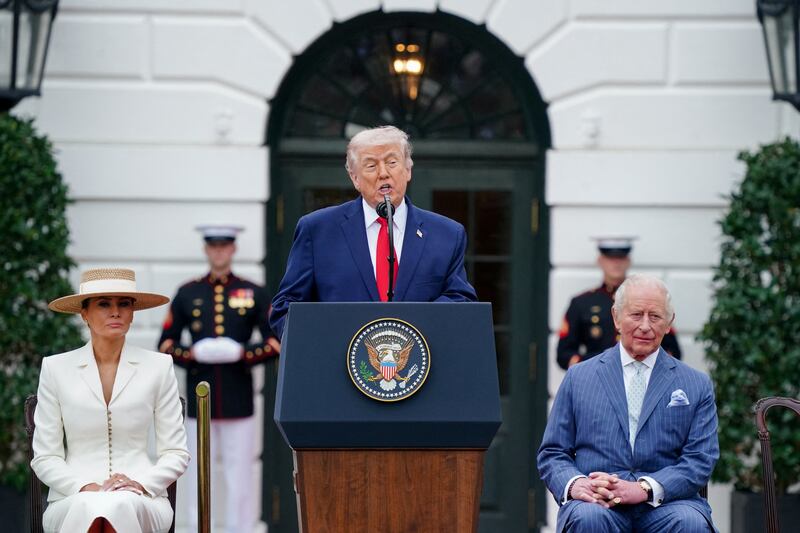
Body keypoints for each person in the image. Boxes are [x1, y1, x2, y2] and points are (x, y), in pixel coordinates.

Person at [537, 274, 719, 532]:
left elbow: (700, 459)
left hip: (667, 505)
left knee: (691, 523)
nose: (645, 326)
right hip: (597, 502)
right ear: (616, 318)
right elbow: (553, 453)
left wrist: (643, 488)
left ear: (669, 323)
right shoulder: (579, 377)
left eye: (655, 316)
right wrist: (575, 483)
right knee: (587, 519)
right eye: (636, 315)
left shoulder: (696, 384)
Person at [269, 125, 477, 338]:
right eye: (370, 166)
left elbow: (460, 300)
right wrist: (322, 343)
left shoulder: (446, 234)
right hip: (338, 365)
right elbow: (286, 309)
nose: (383, 173)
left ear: (408, 170)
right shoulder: (318, 230)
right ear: (355, 178)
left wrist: (419, 322)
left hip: (419, 365)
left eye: (392, 162)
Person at [33, 268, 189, 533]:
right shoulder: (55, 368)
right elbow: (45, 457)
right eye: (104, 304)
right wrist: (84, 487)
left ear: (132, 312)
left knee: (120, 504)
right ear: (84, 314)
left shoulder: (159, 367)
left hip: (142, 498)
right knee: (89, 505)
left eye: (124, 304)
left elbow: (176, 453)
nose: (115, 311)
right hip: (71, 499)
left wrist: (140, 483)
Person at [157, 224, 280, 533]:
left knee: (240, 477)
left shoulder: (253, 291)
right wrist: (195, 354)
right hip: (199, 403)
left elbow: (276, 343)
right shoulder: (188, 292)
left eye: (224, 246)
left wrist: (242, 353)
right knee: (197, 475)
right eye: (214, 246)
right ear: (206, 249)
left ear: (233, 249)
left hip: (239, 400)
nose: (219, 252)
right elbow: (165, 344)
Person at [556, 238, 682, 370]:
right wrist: (593, 366)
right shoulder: (581, 303)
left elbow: (672, 351)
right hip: (597, 376)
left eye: (621, 258)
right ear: (600, 261)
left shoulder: (648, 299)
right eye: (610, 258)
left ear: (628, 261)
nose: (616, 263)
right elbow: (564, 354)